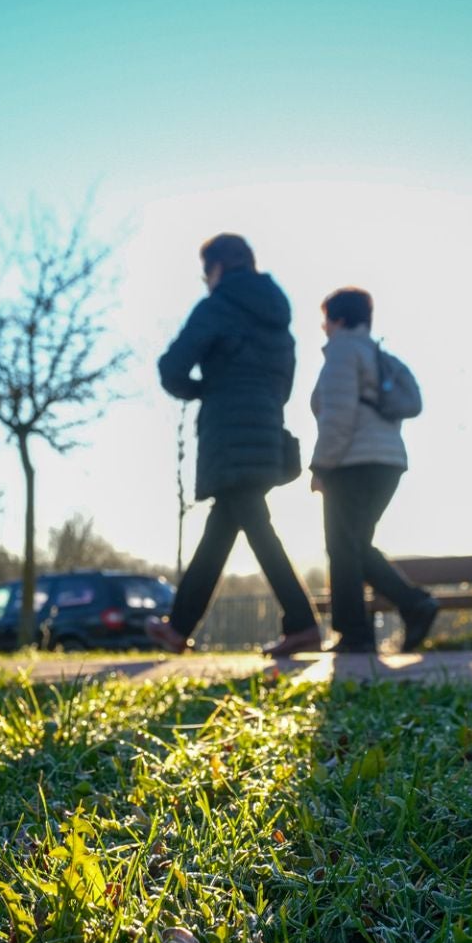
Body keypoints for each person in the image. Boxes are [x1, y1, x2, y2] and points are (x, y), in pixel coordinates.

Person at [149, 234, 322, 657]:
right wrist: (262, 405)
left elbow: (171, 367)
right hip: (265, 427)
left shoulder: (217, 306)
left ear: (217, 268)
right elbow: (286, 380)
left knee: (253, 523)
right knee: (226, 524)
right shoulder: (278, 316)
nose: (206, 280)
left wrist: (206, 389)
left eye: (206, 272)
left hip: (228, 430)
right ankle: (181, 626)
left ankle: (304, 623)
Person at [308, 287, 439, 654]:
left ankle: (355, 634)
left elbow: (338, 416)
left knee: (342, 547)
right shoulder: (375, 354)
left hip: (352, 463)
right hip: (387, 462)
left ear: (338, 319)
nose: (324, 327)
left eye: (326, 319)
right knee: (355, 546)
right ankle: (415, 605)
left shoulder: (342, 352)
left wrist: (321, 465)